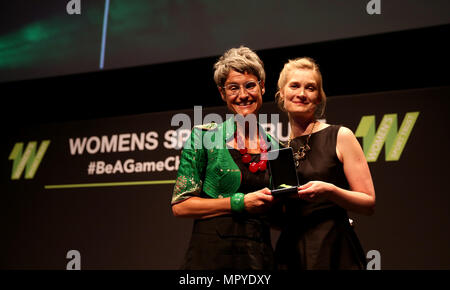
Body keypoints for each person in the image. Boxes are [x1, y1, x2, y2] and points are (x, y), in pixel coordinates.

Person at [171, 46, 279, 270]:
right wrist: (239, 202)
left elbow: (281, 215)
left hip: (259, 257)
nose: (242, 95)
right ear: (222, 93)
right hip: (211, 257)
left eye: (250, 85)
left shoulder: (277, 147)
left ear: (263, 87)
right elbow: (181, 205)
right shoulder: (203, 137)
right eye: (233, 88)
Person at [273, 57, 376, 270]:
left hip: (334, 249)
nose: (301, 94)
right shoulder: (278, 150)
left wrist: (329, 191)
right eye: (294, 86)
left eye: (310, 88)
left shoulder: (340, 136)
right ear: (282, 92)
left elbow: (368, 202)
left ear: (319, 97)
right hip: (291, 252)